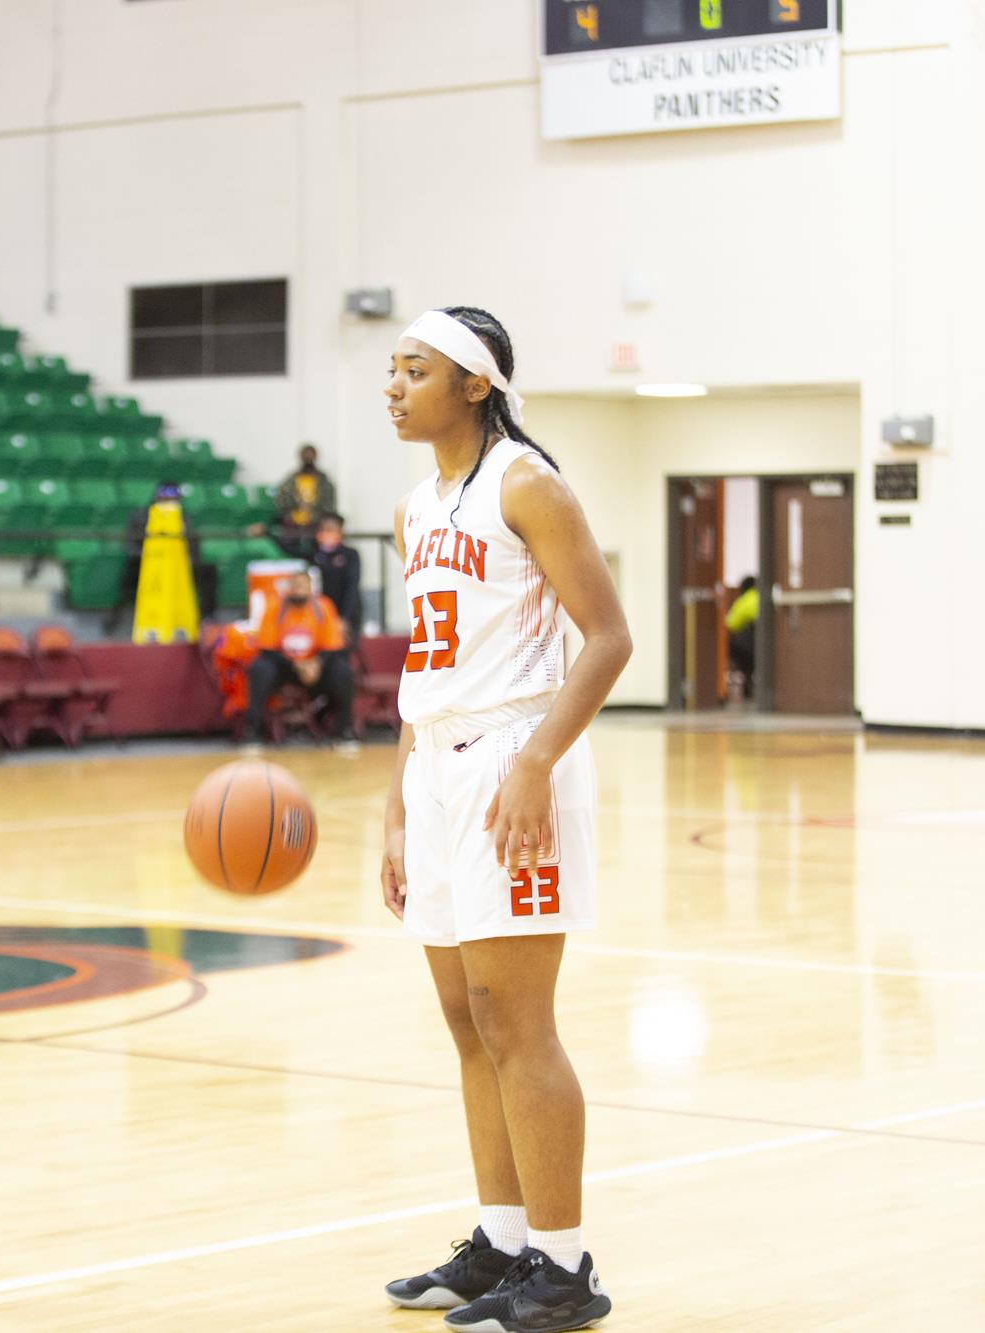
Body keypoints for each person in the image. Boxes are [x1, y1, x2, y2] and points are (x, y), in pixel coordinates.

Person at [376, 307, 630, 1329]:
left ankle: (563, 1268)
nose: (392, 386)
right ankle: (501, 1240)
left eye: (414, 369)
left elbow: (607, 638)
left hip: (512, 763)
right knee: (464, 1019)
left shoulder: (523, 483)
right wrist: (396, 804)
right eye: (389, 369)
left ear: (474, 384)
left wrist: (535, 761)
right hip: (436, 764)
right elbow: (422, 665)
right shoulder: (412, 507)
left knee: (517, 1022)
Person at [244, 570, 356, 750]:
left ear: (311, 588)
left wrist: (315, 663)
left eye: (303, 585)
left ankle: (343, 732)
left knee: (343, 671)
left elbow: (334, 646)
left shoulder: (324, 606)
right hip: (285, 666)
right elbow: (266, 648)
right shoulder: (275, 607)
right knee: (259, 668)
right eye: (294, 585)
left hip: (316, 666)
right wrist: (296, 664)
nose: (298, 590)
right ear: (288, 588)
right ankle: (253, 732)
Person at [112, 481, 217, 633]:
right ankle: (116, 623)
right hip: (147, 564)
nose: (169, 500)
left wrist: (189, 560)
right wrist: (150, 557)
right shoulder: (142, 516)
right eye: (165, 494)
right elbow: (130, 544)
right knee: (130, 577)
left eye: (173, 496)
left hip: (177, 566)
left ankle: (206, 619)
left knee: (208, 571)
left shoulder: (183, 516)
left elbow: (193, 544)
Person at [261, 443, 337, 557]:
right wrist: (296, 504)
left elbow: (329, 505)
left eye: (311, 455)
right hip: (292, 526)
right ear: (300, 457)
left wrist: (314, 509)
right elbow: (280, 501)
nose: (308, 458)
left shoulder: (324, 482)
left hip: (316, 526)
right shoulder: (291, 480)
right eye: (305, 455)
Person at [311, 512, 363, 644]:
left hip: (346, 610)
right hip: (321, 613)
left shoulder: (350, 554)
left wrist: (344, 617)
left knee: (343, 649)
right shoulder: (314, 554)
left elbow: (352, 586)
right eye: (324, 529)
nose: (327, 533)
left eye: (331, 529)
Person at [725, 574, 759, 700]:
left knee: (736, 645)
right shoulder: (764, 599)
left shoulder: (744, 601)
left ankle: (747, 681)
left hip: (746, 648)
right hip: (765, 647)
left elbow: (731, 623)